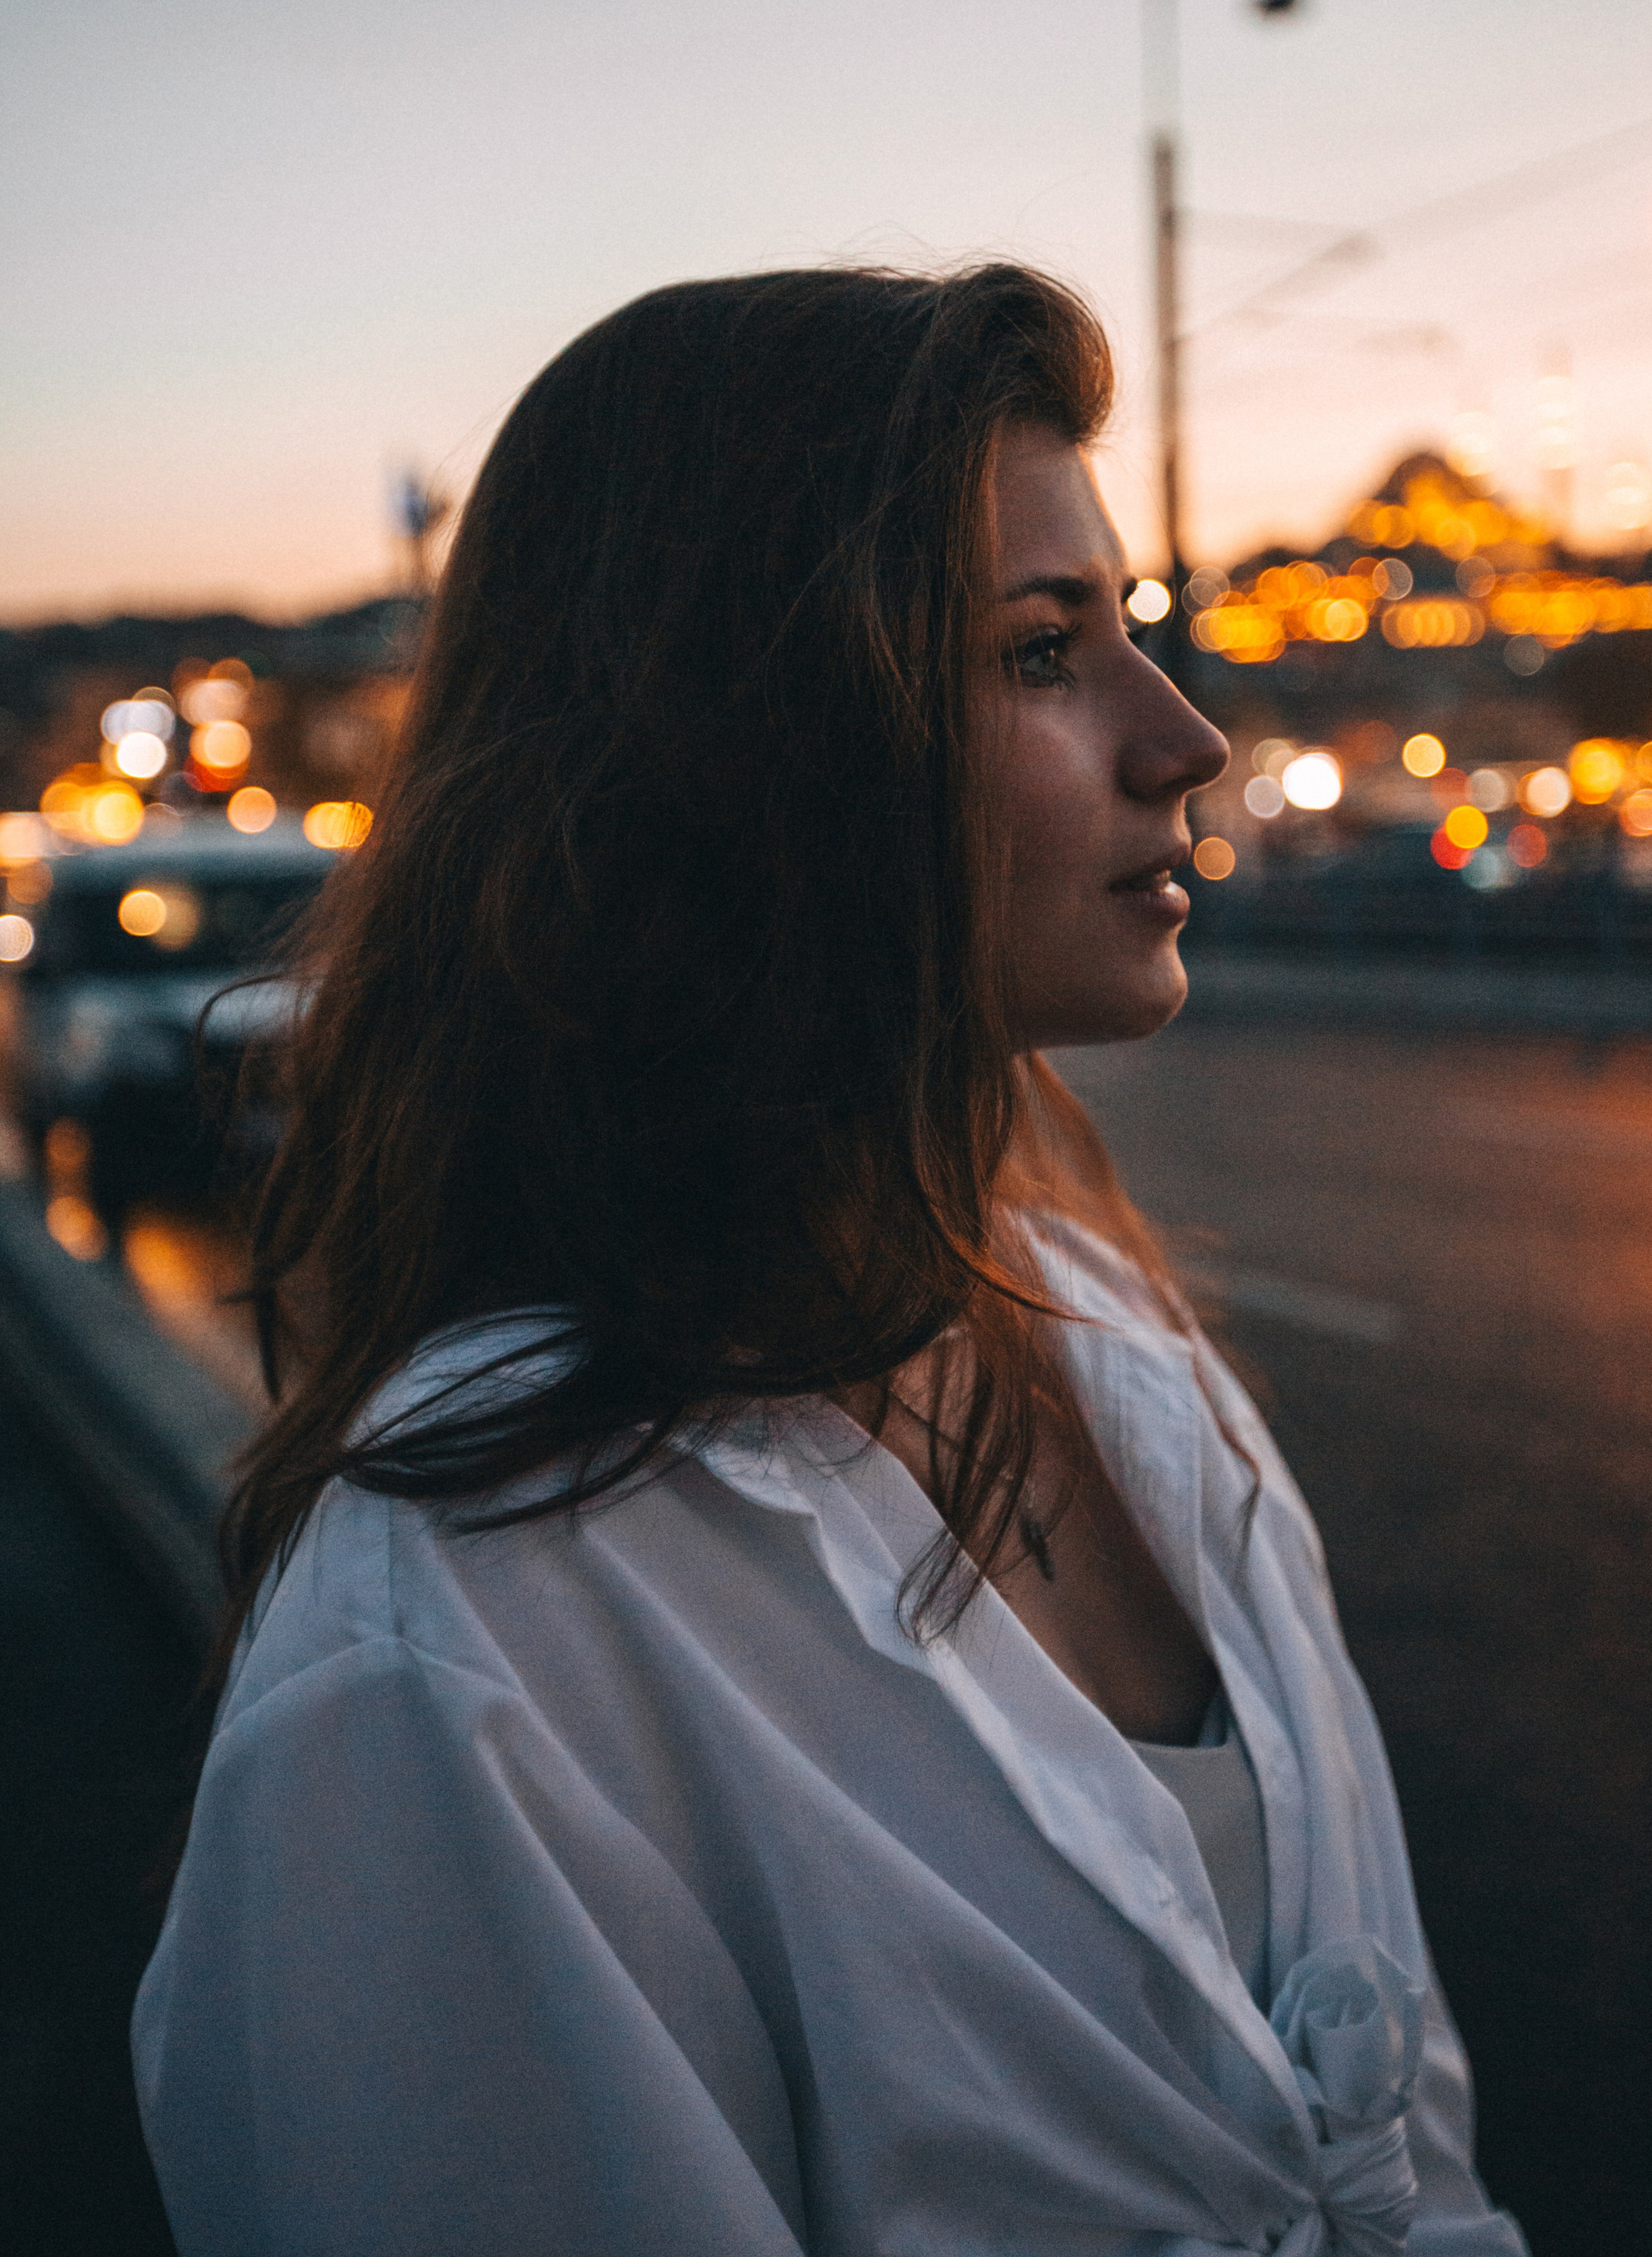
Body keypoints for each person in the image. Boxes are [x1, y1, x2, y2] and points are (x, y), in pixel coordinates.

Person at [134, 265, 1526, 2256]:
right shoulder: (462, 1642)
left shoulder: (1127, 1356)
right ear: (750, 748)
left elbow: (1414, 2161)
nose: (1188, 740)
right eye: (1047, 652)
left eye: (1128, 630)